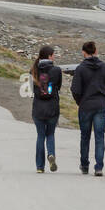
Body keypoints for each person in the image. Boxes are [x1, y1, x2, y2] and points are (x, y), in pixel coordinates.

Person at [70, 40, 105, 175]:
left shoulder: (80, 69)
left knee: (85, 136)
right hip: (100, 104)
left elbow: (75, 90)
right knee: (99, 136)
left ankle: (84, 165)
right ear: (96, 51)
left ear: (83, 52)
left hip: (85, 105)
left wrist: (80, 102)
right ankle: (99, 167)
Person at [30, 45, 63, 173]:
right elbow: (58, 87)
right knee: (50, 134)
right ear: (49, 56)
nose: (54, 57)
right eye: (53, 55)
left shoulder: (33, 70)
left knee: (40, 135)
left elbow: (31, 90)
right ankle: (51, 153)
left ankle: (39, 166)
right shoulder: (56, 70)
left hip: (38, 108)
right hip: (52, 108)